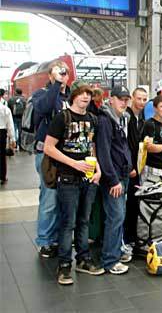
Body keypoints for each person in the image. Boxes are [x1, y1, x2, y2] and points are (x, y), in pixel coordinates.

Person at [44, 84, 104, 285]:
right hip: (67, 177)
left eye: (89, 95)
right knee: (67, 222)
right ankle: (64, 265)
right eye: (82, 94)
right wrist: (73, 164)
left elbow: (91, 145)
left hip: (87, 178)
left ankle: (83, 259)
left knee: (84, 221)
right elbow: (49, 148)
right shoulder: (62, 118)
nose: (86, 98)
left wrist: (97, 170)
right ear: (73, 97)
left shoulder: (92, 119)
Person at [33, 60, 71, 258]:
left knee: (63, 199)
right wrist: (56, 85)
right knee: (49, 199)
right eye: (58, 73)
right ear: (50, 76)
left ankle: (57, 237)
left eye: (65, 73)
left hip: (68, 155)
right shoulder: (42, 94)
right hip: (47, 155)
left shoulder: (71, 96)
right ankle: (45, 240)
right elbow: (45, 108)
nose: (63, 76)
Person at [96, 85, 133, 275]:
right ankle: (110, 260)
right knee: (115, 216)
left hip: (122, 174)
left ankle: (115, 252)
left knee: (118, 216)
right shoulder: (105, 121)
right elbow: (103, 152)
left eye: (126, 99)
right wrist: (112, 180)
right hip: (114, 178)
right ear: (111, 99)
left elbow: (121, 148)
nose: (124, 102)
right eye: (120, 99)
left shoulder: (120, 119)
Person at [124, 87, 148, 245]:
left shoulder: (142, 118)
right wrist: (129, 167)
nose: (141, 102)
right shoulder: (126, 117)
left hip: (138, 167)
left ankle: (131, 237)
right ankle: (125, 238)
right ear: (132, 98)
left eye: (144, 99)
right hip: (128, 168)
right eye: (138, 98)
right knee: (124, 206)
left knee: (134, 203)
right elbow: (123, 144)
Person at [0, 89, 16, 184]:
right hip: (1, 133)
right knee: (2, 155)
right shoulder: (5, 109)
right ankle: (2, 176)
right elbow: (10, 125)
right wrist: (12, 138)